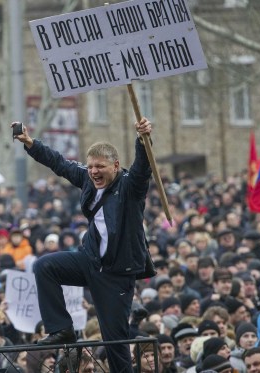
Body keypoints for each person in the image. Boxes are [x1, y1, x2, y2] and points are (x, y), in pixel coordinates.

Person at [12, 117, 154, 373]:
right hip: (90, 261)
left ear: (116, 166)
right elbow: (60, 164)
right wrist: (31, 143)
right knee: (45, 267)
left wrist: (143, 139)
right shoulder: (88, 180)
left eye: (100, 166)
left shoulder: (131, 187)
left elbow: (143, 169)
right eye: (90, 167)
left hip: (116, 274)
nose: (94, 172)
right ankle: (61, 329)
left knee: (116, 342)